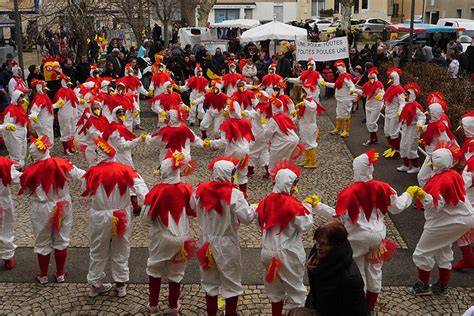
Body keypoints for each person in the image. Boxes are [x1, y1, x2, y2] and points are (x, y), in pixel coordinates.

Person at [315, 149, 414, 311]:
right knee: (375, 270)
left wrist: (318, 206)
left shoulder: (347, 193)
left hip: (356, 238)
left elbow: (337, 216)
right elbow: (397, 208)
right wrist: (409, 194)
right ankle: (371, 306)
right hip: (378, 238)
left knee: (356, 270)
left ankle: (358, 305)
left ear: (356, 170)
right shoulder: (384, 188)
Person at [82, 136, 149, 298]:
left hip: (99, 214)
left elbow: (86, 190)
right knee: (121, 248)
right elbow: (142, 189)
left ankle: (95, 284)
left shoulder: (91, 172)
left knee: (98, 249)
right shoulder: (125, 169)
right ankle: (120, 285)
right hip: (120, 213)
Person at [192, 157, 256, 316]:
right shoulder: (235, 194)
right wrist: (254, 207)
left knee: (209, 280)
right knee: (231, 280)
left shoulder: (199, 189)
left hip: (205, 241)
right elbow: (247, 218)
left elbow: (193, 208)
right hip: (227, 242)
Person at [19, 135, 85, 284]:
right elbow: (79, 174)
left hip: (41, 207)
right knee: (61, 239)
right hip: (63, 205)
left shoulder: (29, 171)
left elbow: (25, 188)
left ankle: (43, 275)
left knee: (42, 240)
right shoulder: (61, 163)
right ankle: (60, 273)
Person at [411, 142, 474, 296]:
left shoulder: (440, 180)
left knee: (422, 252)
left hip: (448, 220)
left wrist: (421, 195)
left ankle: (424, 286)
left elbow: (433, 206)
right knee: (443, 249)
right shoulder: (453, 174)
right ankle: (442, 286)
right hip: (461, 218)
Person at [256, 161, 314, 315]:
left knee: (275, 291)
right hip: (288, 253)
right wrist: (308, 207)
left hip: (268, 252)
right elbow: (305, 224)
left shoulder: (265, 201)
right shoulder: (293, 205)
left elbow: (259, 220)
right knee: (296, 292)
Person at [143, 151, 197, 314]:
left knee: (154, 269)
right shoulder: (187, 189)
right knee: (176, 273)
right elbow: (194, 209)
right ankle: (173, 306)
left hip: (161, 236)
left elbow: (145, 217)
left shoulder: (156, 191)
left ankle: (153, 304)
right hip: (182, 238)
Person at [305, 221, 368, 316]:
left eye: (323, 244)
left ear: (336, 245)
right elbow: (315, 290)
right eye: (317, 241)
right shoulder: (316, 257)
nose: (318, 247)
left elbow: (359, 311)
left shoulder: (351, 279)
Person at [206, 98, 255, 197]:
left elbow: (224, 142)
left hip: (233, 152)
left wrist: (211, 143)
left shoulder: (228, 124)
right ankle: (243, 194)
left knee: (228, 172)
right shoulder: (245, 121)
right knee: (242, 173)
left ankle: (230, 194)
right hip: (245, 151)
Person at [397, 83, 426, 174]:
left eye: (408, 94)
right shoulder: (406, 105)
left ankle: (416, 166)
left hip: (413, 129)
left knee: (411, 147)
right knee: (403, 146)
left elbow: (422, 117)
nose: (406, 95)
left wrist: (419, 125)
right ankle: (405, 165)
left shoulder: (415, 106)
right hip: (406, 128)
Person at [293, 85, 324, 169]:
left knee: (310, 143)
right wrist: (295, 113)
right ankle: (307, 160)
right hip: (304, 125)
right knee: (305, 142)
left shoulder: (311, 102)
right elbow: (302, 112)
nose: (302, 93)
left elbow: (312, 107)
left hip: (309, 126)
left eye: (304, 91)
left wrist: (305, 102)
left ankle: (313, 162)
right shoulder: (305, 100)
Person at [264, 97, 299, 170]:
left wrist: (264, 126)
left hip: (283, 142)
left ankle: (276, 176)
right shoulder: (285, 116)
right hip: (293, 140)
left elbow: (267, 134)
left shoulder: (273, 120)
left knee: (274, 162)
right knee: (286, 159)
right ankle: (286, 173)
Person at [353, 67, 384, 146]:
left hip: (376, 106)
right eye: (370, 78)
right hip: (368, 105)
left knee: (372, 123)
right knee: (368, 123)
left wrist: (380, 96)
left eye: (373, 78)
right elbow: (363, 93)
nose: (371, 79)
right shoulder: (367, 85)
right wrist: (355, 90)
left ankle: (372, 138)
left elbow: (383, 93)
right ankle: (374, 138)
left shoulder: (379, 84)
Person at [0, 156, 21, 269]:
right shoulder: (4, 163)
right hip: (3, 201)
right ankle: (7, 256)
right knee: (6, 228)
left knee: (6, 227)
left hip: (3, 200)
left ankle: (8, 256)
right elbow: (17, 178)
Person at [325, 60, 355, 138]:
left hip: (345, 99)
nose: (337, 71)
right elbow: (336, 85)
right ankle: (338, 129)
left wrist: (352, 89)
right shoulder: (340, 77)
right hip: (340, 99)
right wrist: (326, 84)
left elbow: (351, 85)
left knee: (345, 114)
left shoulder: (346, 76)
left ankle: (346, 131)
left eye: (338, 69)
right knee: (339, 113)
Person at [54, 74, 80, 155]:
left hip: (72, 112)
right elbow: (58, 102)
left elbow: (75, 98)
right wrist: (55, 106)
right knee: (66, 129)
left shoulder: (70, 90)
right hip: (65, 113)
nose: (69, 83)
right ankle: (66, 148)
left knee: (72, 129)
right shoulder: (61, 91)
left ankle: (71, 146)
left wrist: (81, 100)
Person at [382, 68, 405, 159]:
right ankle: (392, 147)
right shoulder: (390, 88)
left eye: (391, 78)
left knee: (393, 133)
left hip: (395, 114)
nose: (390, 80)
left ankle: (397, 151)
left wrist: (400, 110)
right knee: (386, 132)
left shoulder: (400, 90)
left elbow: (402, 102)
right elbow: (387, 99)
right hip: (388, 113)